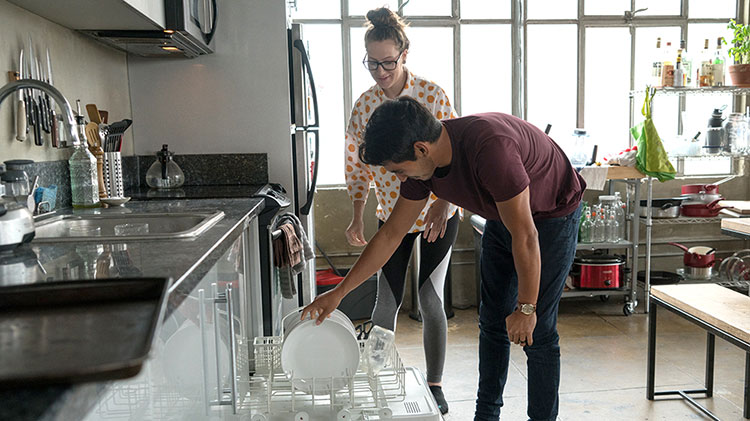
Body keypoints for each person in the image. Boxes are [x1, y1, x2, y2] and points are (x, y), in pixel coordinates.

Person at [304, 97, 586, 421]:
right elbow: (390, 235)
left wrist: (526, 307)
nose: (399, 178)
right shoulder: (425, 166)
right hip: (501, 214)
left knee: (538, 331)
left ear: (421, 149)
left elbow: (526, 236)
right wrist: (339, 294)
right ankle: (487, 415)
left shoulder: (490, 150)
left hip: (551, 215)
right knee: (492, 322)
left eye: (398, 169)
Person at [343, 7, 459, 415]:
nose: (379, 71)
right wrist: (358, 212)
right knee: (384, 302)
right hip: (392, 213)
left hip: (434, 212)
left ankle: (435, 384)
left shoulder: (432, 95)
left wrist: (443, 204)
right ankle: (378, 381)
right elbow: (356, 165)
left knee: (430, 299)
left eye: (387, 62)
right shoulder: (364, 107)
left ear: (403, 53)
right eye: (372, 63)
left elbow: (452, 157)